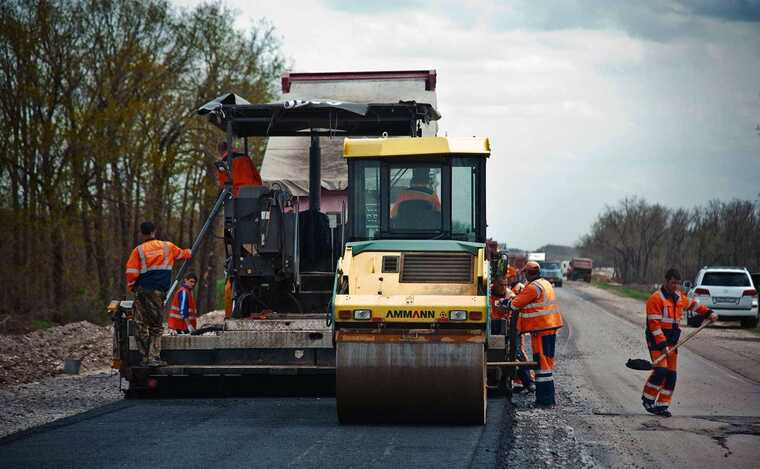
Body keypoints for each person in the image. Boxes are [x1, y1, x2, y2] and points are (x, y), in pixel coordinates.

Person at [641, 268, 716, 417]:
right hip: (657, 341)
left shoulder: (679, 297)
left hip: (673, 343)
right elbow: (654, 326)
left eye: (678, 283)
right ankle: (648, 400)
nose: (675, 286)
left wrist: (709, 313)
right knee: (661, 371)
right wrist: (662, 346)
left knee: (671, 375)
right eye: (673, 283)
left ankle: (662, 406)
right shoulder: (655, 299)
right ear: (666, 281)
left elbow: (694, 305)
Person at [126, 222, 192, 366]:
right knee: (156, 326)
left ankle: (144, 357)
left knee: (140, 324)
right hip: (157, 291)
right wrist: (189, 252)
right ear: (154, 232)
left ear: (142, 233)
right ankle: (154, 358)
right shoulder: (168, 247)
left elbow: (131, 272)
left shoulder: (138, 251)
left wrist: (133, 288)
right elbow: (183, 254)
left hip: (142, 291)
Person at [504, 260, 563, 406]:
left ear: (528, 274)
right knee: (546, 364)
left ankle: (544, 401)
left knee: (542, 366)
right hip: (549, 328)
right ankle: (547, 399)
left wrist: (504, 303)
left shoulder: (532, 288)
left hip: (541, 330)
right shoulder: (546, 283)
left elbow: (515, 304)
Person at [492, 274, 535, 393]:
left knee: (516, 352)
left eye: (505, 285)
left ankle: (529, 382)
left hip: (508, 327)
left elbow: (515, 310)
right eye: (501, 285)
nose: (503, 287)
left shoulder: (510, 295)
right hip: (490, 326)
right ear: (494, 284)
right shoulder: (486, 293)